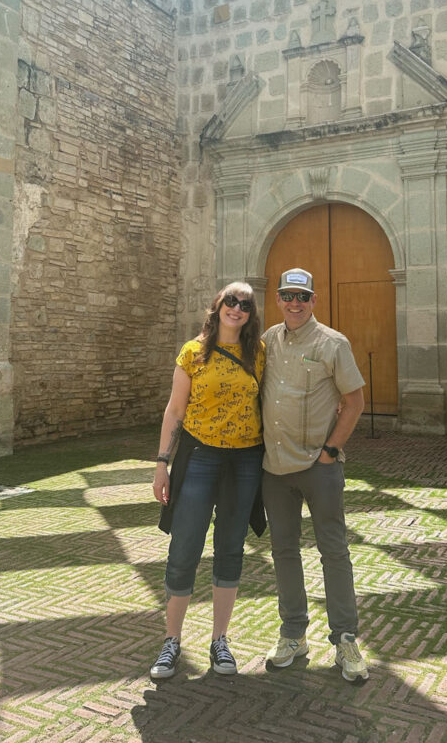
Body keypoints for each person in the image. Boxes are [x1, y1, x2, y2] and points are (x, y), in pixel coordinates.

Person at [150, 281, 266, 681]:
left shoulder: (259, 353)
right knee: (184, 546)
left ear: (251, 314)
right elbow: (174, 410)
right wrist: (162, 462)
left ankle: (220, 640)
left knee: (230, 549)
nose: (237, 308)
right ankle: (171, 640)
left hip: (245, 461)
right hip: (199, 458)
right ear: (216, 308)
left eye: (245, 304)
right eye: (230, 301)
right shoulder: (193, 352)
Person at [261, 267, 369, 683]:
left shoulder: (332, 343)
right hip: (274, 469)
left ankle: (344, 639)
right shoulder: (268, 340)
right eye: (287, 295)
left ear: (313, 300)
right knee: (284, 552)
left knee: (334, 551)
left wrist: (330, 452)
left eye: (302, 297)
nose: (294, 303)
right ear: (279, 299)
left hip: (318, 467)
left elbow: (354, 401)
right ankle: (293, 635)